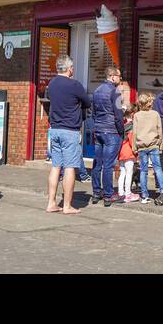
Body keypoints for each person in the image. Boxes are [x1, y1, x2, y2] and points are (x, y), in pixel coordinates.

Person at [44, 54, 91, 215]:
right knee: (70, 167)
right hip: (70, 130)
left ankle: (51, 203)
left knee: (56, 166)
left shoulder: (52, 84)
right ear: (69, 68)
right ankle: (67, 206)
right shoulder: (75, 85)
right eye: (72, 68)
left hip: (54, 128)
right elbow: (87, 102)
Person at [89, 65, 125, 206]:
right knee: (108, 165)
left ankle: (96, 193)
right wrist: (121, 130)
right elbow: (118, 114)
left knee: (97, 163)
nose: (120, 79)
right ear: (112, 76)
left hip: (98, 130)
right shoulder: (115, 92)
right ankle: (109, 195)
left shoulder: (97, 91)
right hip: (111, 131)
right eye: (119, 76)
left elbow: (93, 112)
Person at [131, 93, 163, 205]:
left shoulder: (137, 115)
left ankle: (145, 195)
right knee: (158, 168)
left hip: (142, 146)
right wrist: (161, 144)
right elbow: (159, 129)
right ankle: (162, 190)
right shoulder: (155, 114)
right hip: (154, 144)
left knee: (143, 171)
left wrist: (134, 146)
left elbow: (135, 132)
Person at [116, 102, 139, 202]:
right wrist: (136, 151)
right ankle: (128, 193)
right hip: (129, 152)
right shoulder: (131, 126)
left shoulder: (122, 124)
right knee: (129, 173)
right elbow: (131, 140)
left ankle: (121, 192)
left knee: (122, 173)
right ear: (133, 114)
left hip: (121, 152)